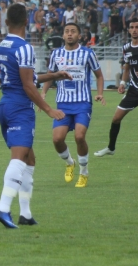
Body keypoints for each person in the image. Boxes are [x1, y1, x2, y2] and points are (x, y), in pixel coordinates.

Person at [0, 3, 71, 229]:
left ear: (6, 22)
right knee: (18, 158)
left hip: (5, 105)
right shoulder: (25, 47)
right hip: (19, 108)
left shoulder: (3, 45)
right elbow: (28, 85)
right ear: (27, 22)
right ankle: (3, 208)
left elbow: (28, 78)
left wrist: (55, 75)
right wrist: (49, 109)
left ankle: (25, 214)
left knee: (29, 159)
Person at [41, 23, 105, 188]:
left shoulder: (87, 53)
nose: (69, 34)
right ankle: (70, 163)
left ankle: (84, 172)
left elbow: (99, 75)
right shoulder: (56, 54)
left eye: (73, 32)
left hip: (82, 103)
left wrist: (99, 93)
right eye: (67, 32)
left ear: (79, 35)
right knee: (57, 139)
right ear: (63, 35)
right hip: (63, 103)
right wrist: (43, 94)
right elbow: (50, 76)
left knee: (79, 136)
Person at [94, 20, 138, 157]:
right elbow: (127, 67)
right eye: (132, 27)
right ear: (129, 30)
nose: (135, 30)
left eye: (137, 27)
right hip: (134, 91)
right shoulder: (126, 48)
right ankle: (111, 148)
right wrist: (123, 83)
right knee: (116, 119)